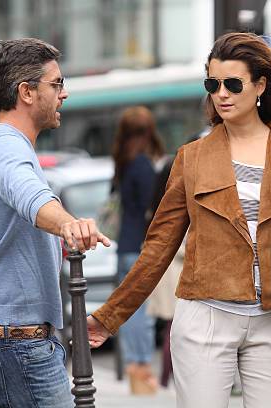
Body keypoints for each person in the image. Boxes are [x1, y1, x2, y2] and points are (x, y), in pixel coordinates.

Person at [87, 32, 271, 407]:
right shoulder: (192, 158)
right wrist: (110, 316)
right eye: (212, 84)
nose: (222, 94)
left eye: (233, 84)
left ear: (260, 85)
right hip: (206, 317)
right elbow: (158, 247)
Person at [0, 38, 110, 408]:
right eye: (56, 84)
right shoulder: (4, 144)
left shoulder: (4, 144)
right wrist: (68, 225)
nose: (64, 94)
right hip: (15, 343)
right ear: (27, 92)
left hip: (8, 338)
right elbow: (29, 196)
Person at [111, 106, 165, 394]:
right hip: (139, 247)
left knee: (132, 311)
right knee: (142, 314)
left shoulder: (122, 162)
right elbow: (153, 210)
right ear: (147, 131)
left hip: (124, 245)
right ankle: (141, 369)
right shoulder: (142, 165)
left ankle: (136, 367)